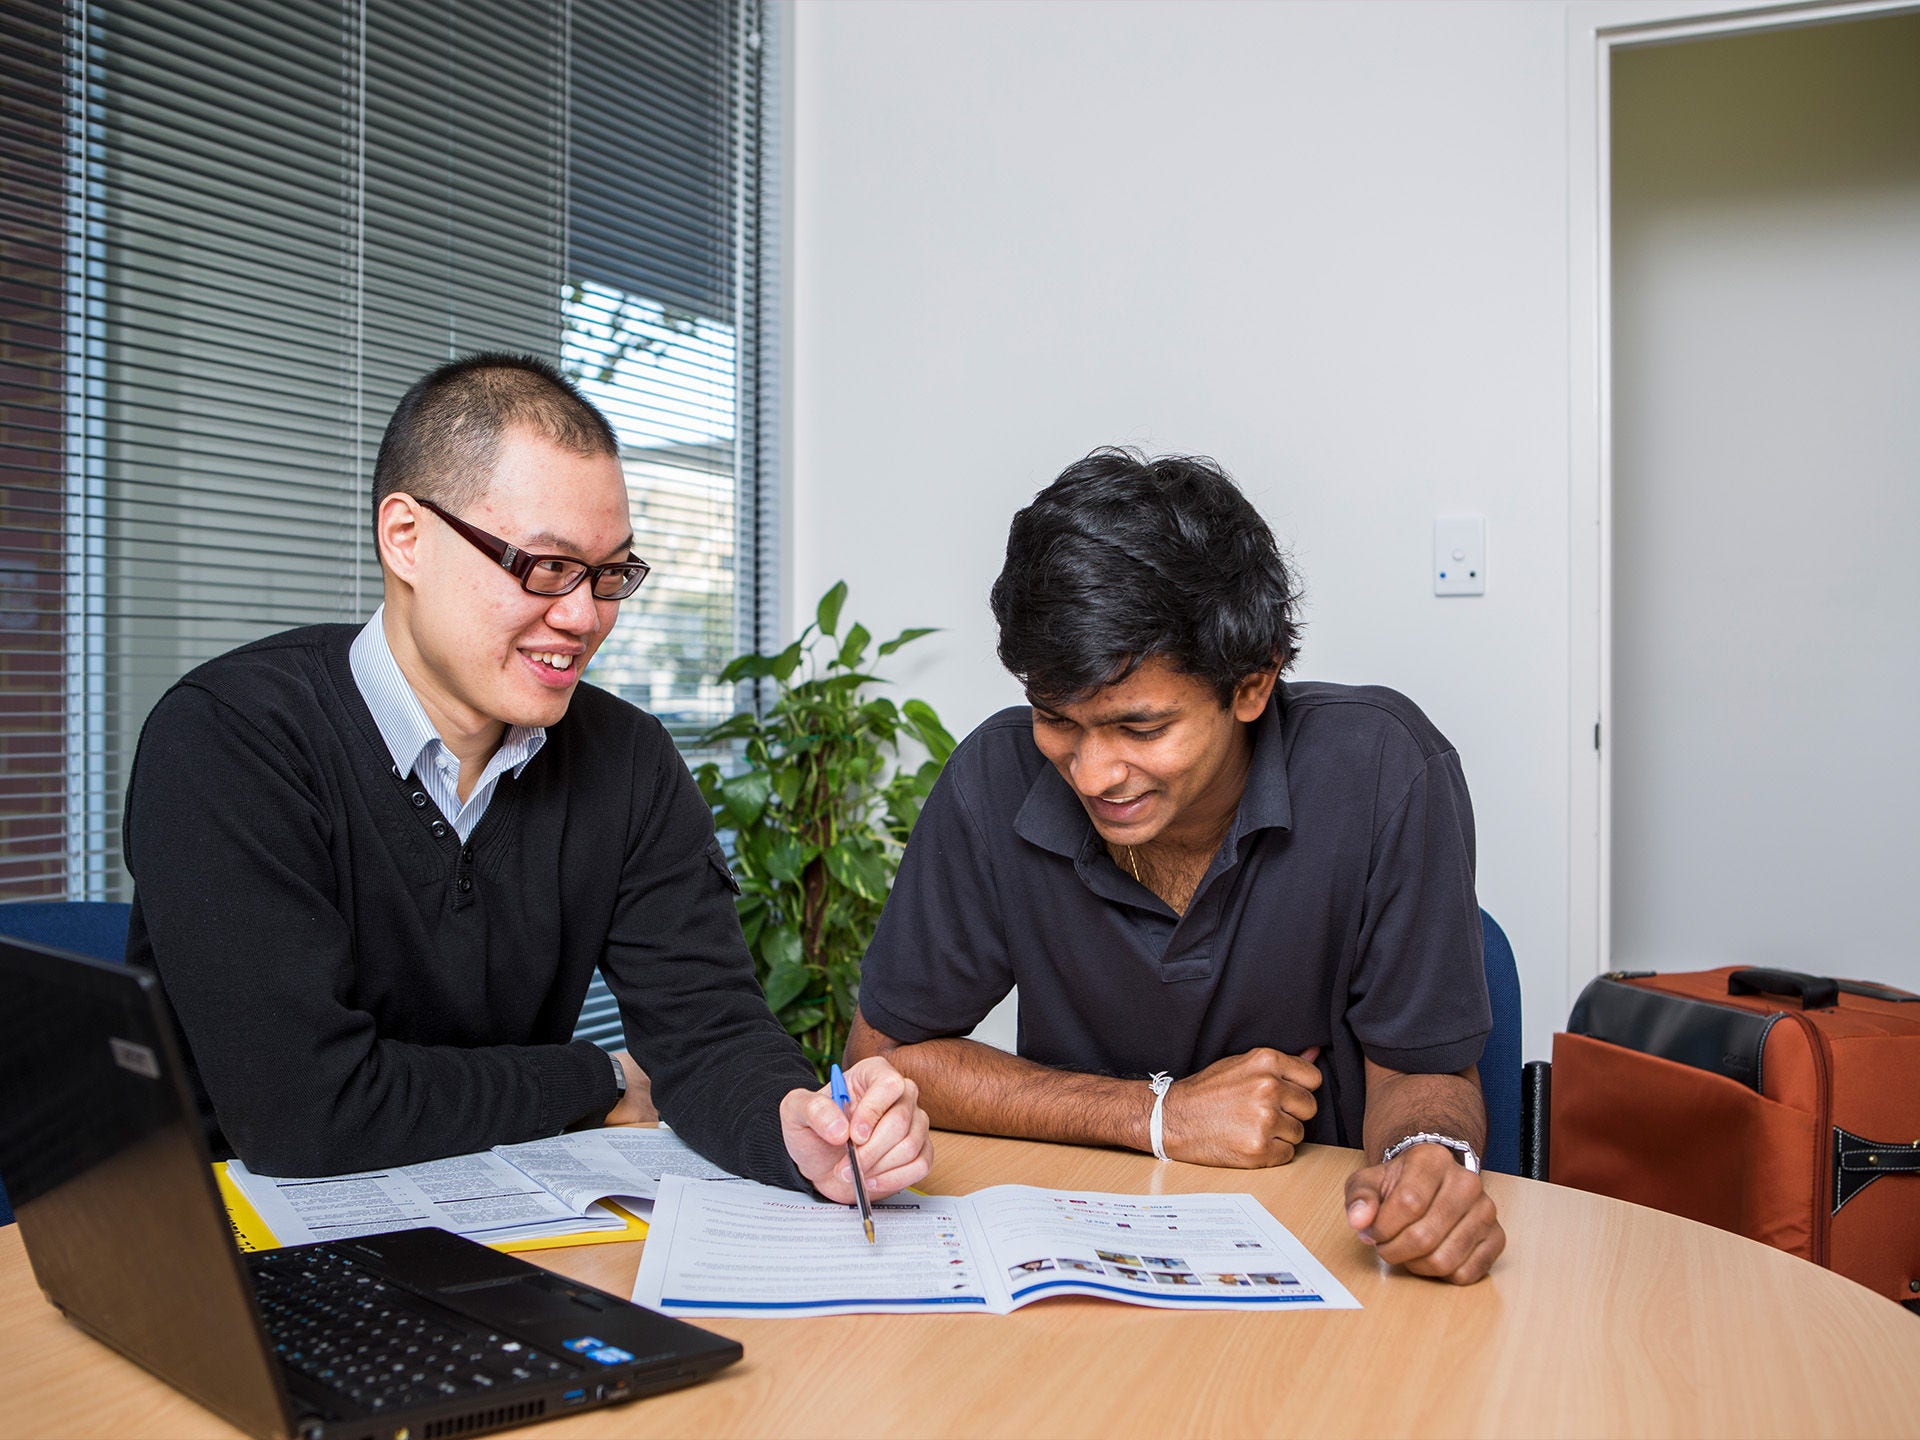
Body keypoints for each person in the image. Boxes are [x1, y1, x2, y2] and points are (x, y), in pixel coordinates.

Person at [125, 353, 930, 1205]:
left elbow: (709, 1033)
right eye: (545, 567)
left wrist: (796, 1125)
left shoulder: (628, 760)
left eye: (610, 573)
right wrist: (597, 1078)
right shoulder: (230, 737)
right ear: (407, 538)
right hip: (235, 1240)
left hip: (496, 1216)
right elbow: (306, 1113)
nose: (584, 617)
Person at [846, 448, 1503, 1283]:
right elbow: (884, 1059)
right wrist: (1159, 1116)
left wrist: (1428, 1163)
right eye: (1057, 719)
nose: (1090, 774)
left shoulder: (1384, 772)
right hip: (1072, 1249)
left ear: (1253, 684)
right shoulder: (992, 777)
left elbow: (1419, 1075)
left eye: (1141, 728)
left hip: (1312, 1252)